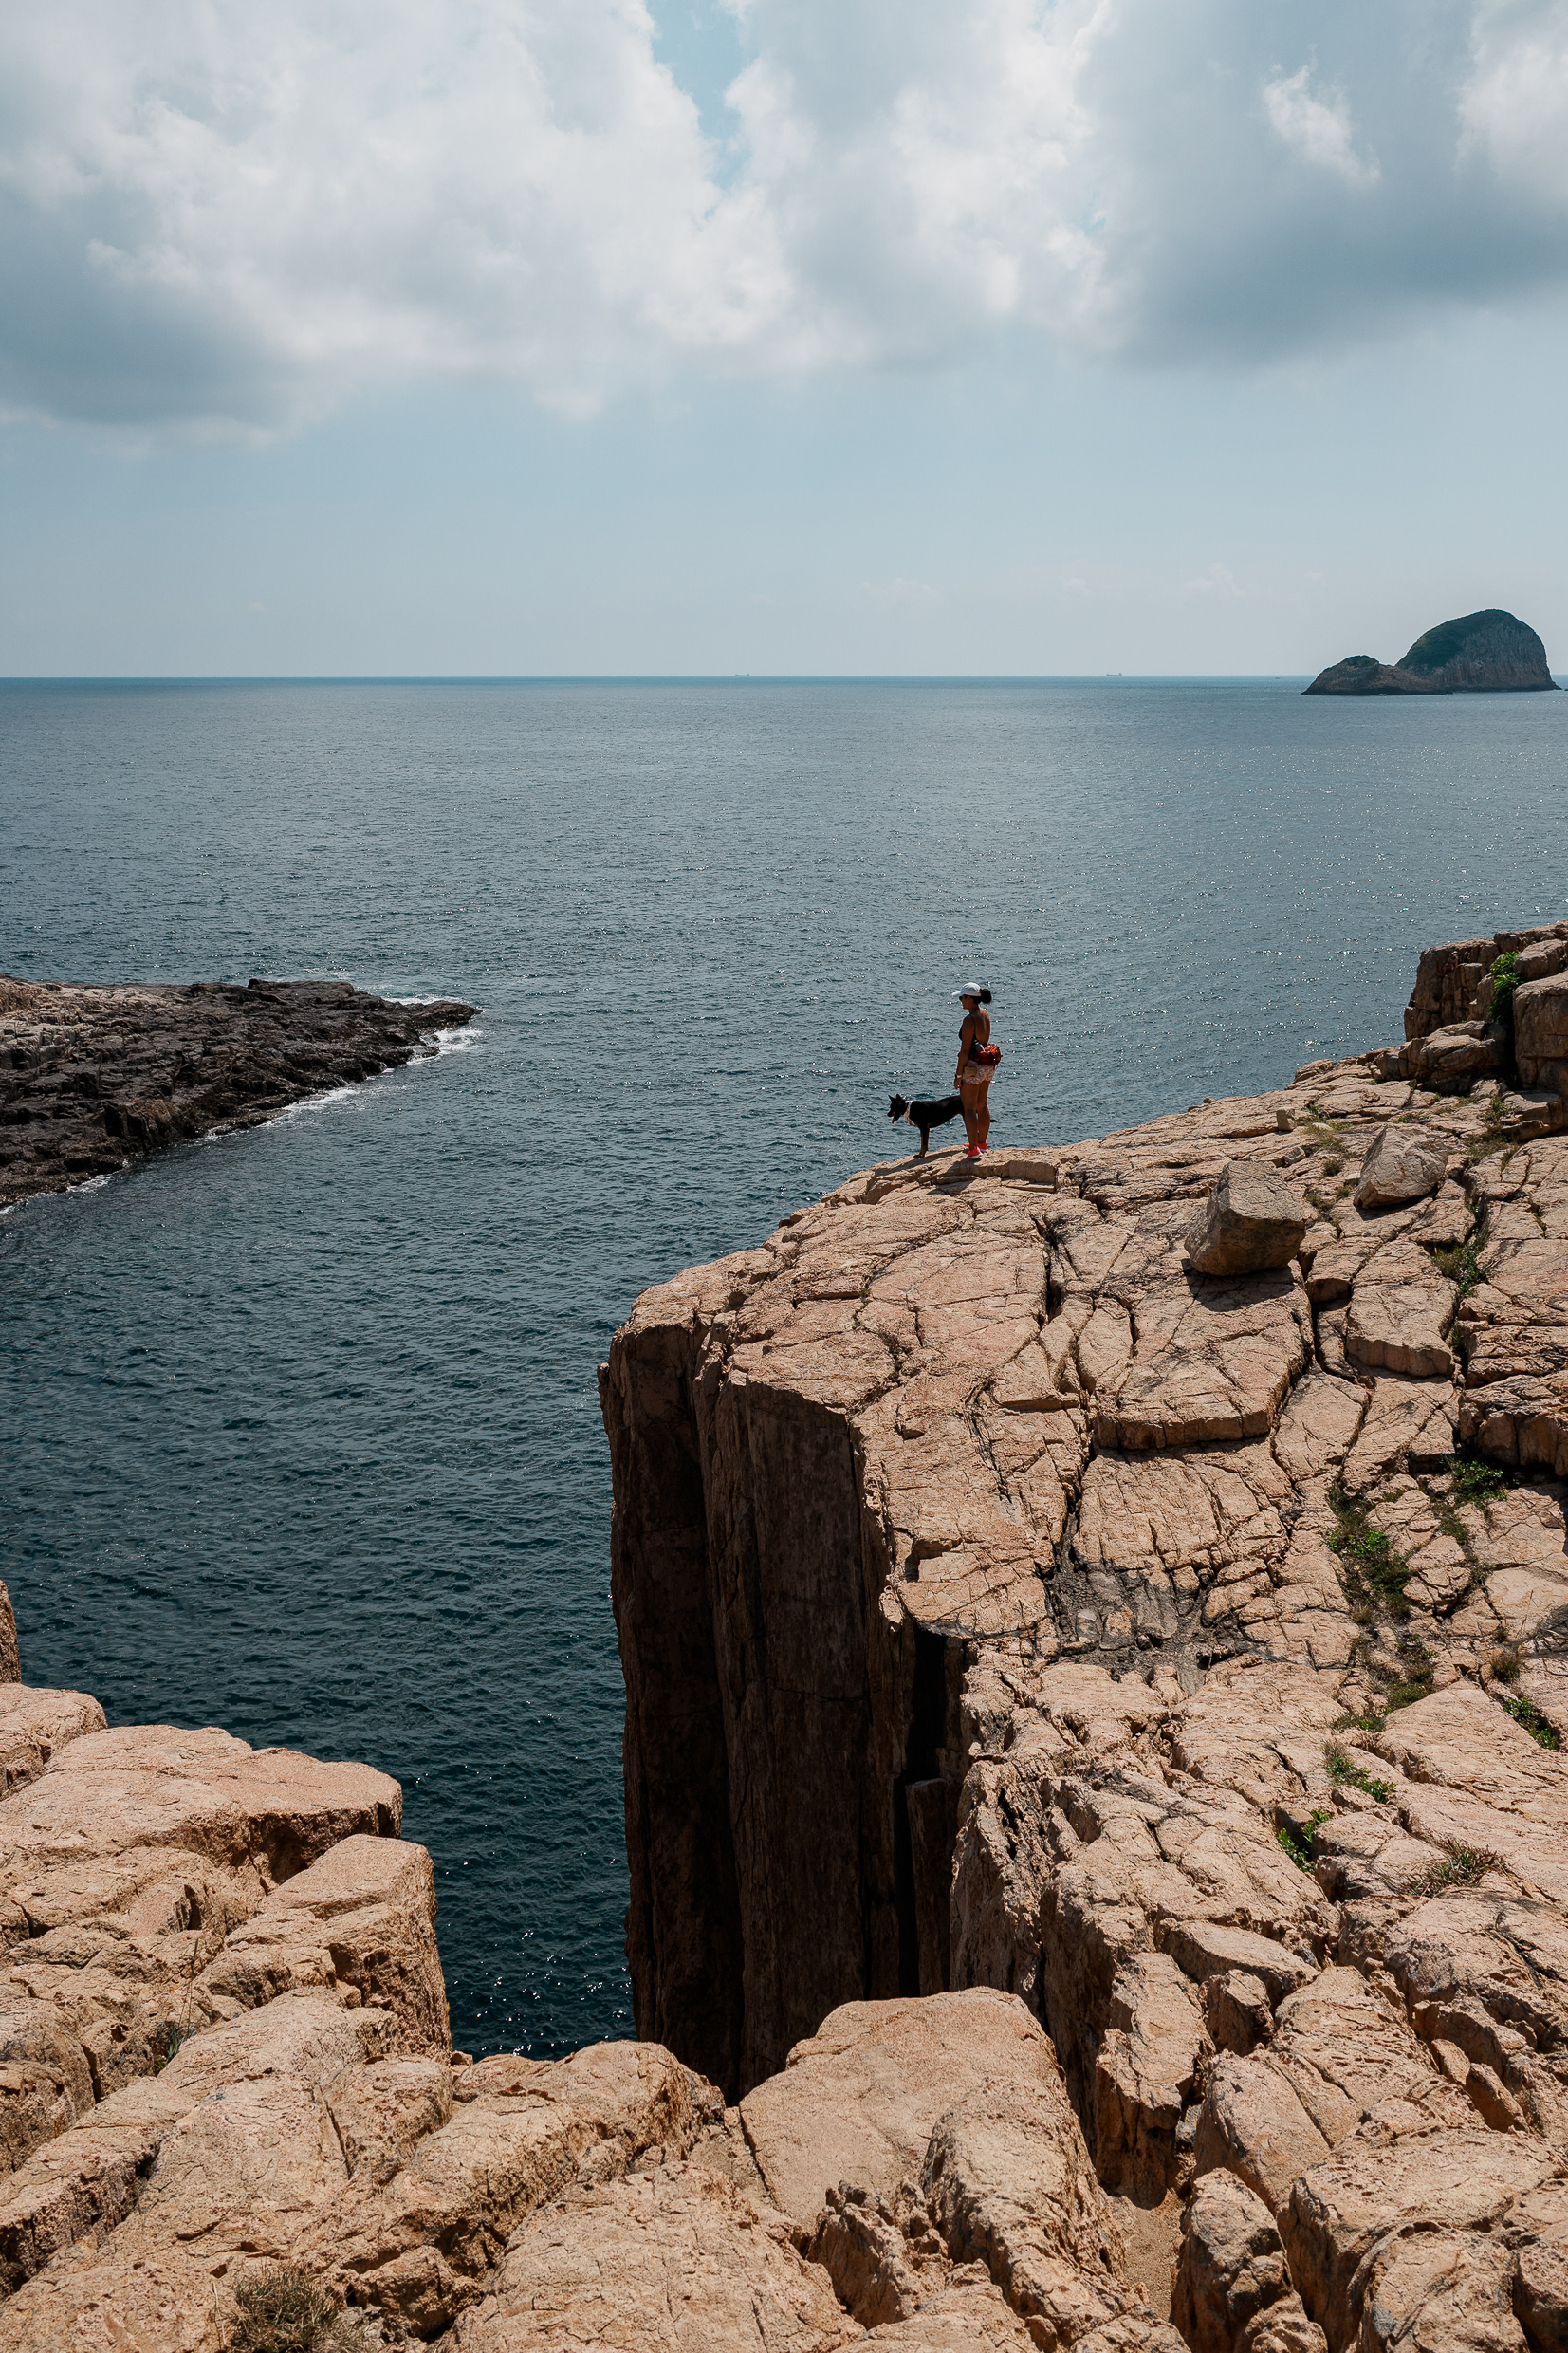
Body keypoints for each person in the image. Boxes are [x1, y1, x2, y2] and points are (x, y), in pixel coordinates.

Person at [953, 984, 998, 1157]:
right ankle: (982, 1143)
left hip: (972, 1067)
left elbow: (965, 1051)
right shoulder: (985, 1015)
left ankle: (973, 1150)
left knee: (969, 1108)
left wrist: (958, 1075)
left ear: (969, 998)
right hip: (987, 1065)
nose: (960, 1001)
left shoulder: (969, 1020)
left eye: (961, 998)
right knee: (982, 1105)